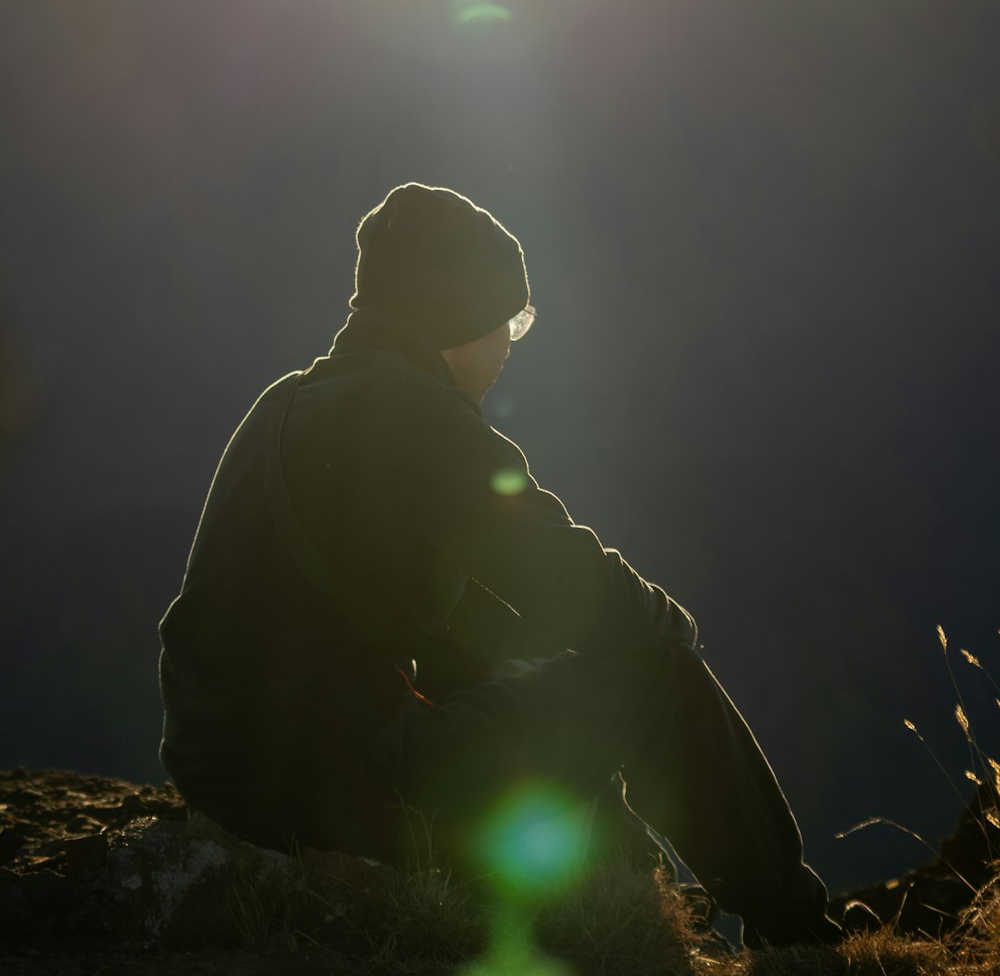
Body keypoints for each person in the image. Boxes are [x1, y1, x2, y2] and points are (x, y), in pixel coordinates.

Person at [159, 182, 837, 946]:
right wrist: (668, 623)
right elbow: (576, 586)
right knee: (657, 673)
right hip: (342, 800)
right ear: (463, 322)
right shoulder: (421, 419)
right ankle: (798, 933)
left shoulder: (280, 406)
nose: (510, 347)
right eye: (511, 322)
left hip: (228, 783)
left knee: (483, 655)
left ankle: (627, 877)